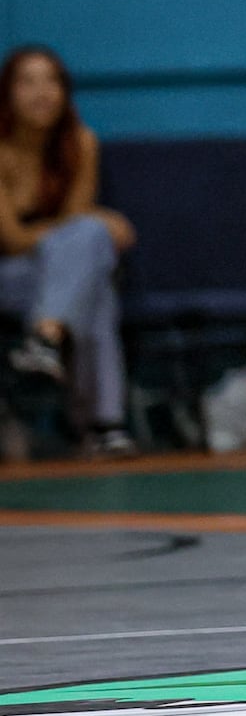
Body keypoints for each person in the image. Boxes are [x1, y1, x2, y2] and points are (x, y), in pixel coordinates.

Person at [0, 46, 133, 455]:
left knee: (93, 272)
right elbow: (13, 240)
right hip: (9, 277)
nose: (42, 92)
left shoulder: (81, 143)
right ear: (7, 93)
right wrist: (97, 223)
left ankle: (45, 340)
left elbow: (76, 229)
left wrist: (89, 224)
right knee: (92, 248)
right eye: (28, 81)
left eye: (52, 80)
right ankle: (101, 423)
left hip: (57, 281)